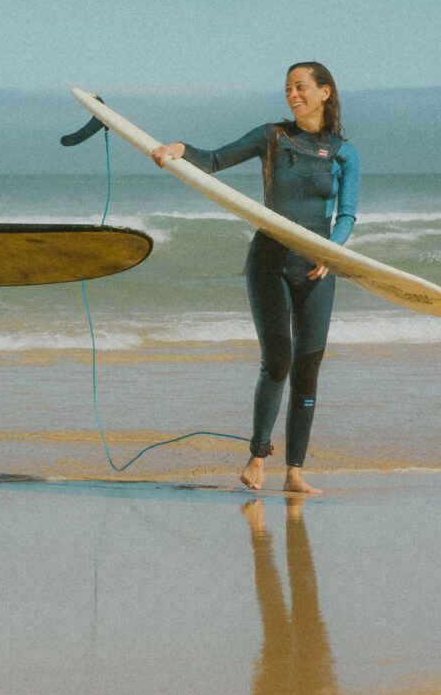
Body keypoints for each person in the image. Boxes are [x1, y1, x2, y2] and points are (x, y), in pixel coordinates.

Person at [152, 62, 360, 493]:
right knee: (278, 359)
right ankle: (258, 456)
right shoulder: (272, 136)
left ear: (325, 92)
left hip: (317, 268)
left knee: (309, 367)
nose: (292, 95)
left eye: (301, 87)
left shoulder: (344, 152)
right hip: (269, 260)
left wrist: (332, 251)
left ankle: (296, 473)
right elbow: (212, 160)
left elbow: (347, 214)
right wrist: (178, 149)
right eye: (288, 88)